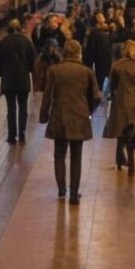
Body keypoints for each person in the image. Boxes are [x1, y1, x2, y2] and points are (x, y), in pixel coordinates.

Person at [39, 39, 101, 204]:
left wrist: (44, 115)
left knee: (59, 155)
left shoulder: (54, 70)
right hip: (79, 118)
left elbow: (47, 96)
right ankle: (74, 194)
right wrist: (88, 111)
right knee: (76, 156)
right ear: (79, 52)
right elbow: (96, 97)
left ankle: (61, 189)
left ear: (65, 52)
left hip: (59, 116)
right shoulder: (87, 71)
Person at [103, 39, 135, 176]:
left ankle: (120, 159)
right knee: (131, 132)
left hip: (119, 101)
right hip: (134, 102)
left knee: (120, 129)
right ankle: (130, 164)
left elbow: (111, 83)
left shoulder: (116, 66)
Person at [0, 18, 37, 144]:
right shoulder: (27, 41)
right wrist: (27, 70)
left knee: (11, 109)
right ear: (19, 29)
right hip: (23, 80)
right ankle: (22, 133)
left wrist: (2, 73)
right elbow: (33, 60)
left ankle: (11, 136)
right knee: (23, 108)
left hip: (8, 81)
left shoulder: (3, 42)